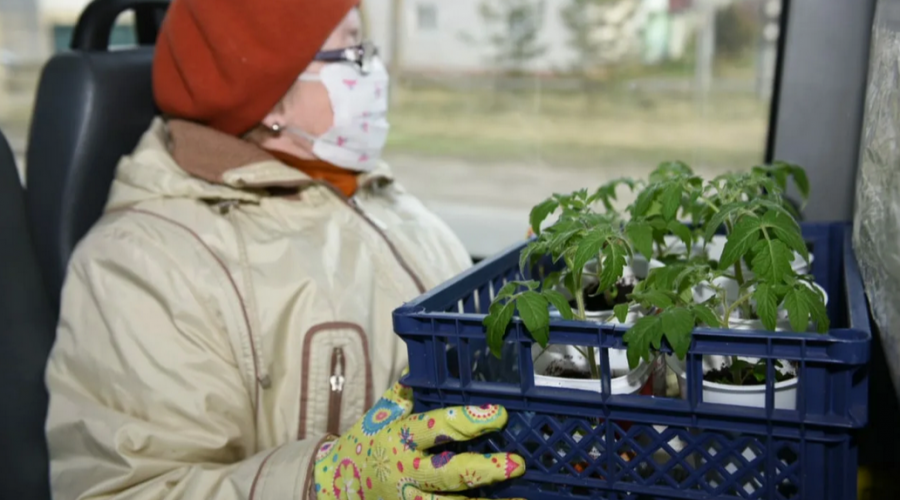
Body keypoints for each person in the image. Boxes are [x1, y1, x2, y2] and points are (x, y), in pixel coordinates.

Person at [44, 1, 526, 498]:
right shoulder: (143, 264)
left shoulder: (372, 195)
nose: (375, 71)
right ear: (272, 99)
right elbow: (124, 489)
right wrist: (325, 485)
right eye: (353, 51)